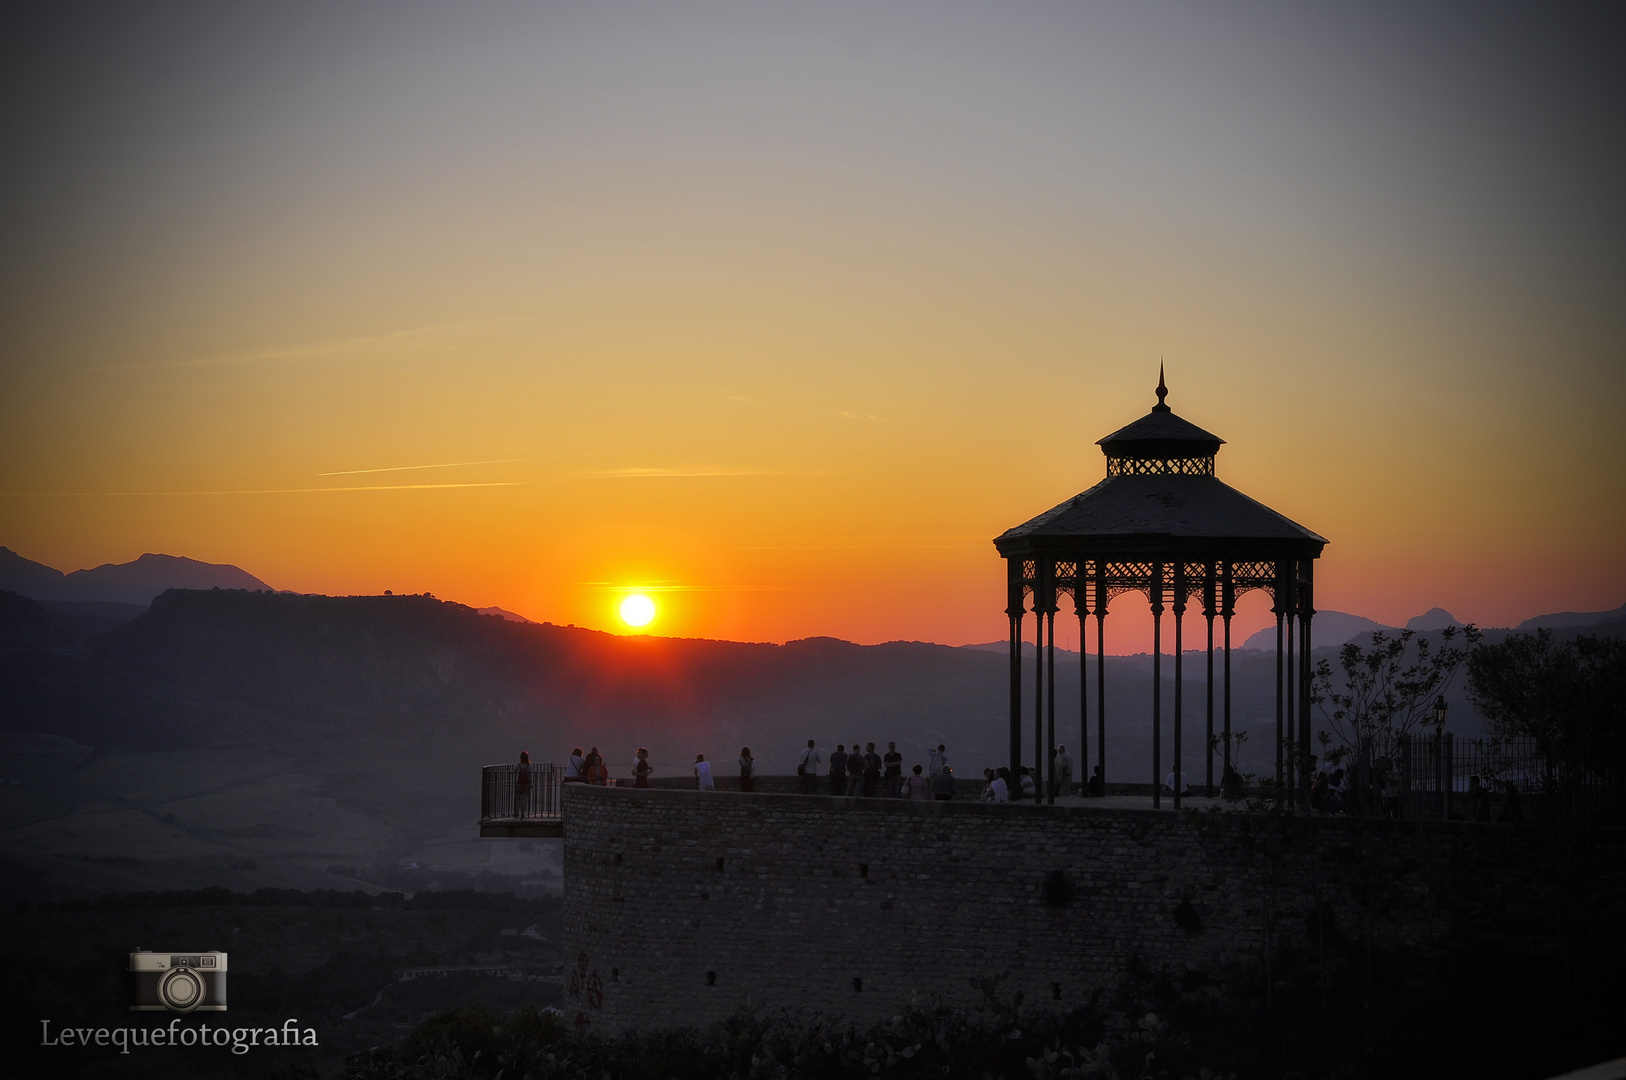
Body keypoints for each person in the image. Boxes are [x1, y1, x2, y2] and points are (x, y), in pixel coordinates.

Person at [514, 751, 532, 818]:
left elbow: (514, 771)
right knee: (524, 799)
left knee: (517, 798)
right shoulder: (529, 767)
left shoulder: (518, 765)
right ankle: (523, 813)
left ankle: (516, 812)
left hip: (519, 783)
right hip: (526, 784)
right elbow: (530, 776)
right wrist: (531, 783)